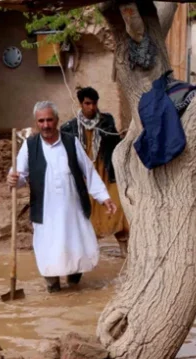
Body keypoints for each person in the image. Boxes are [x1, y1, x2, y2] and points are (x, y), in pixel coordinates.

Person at [6, 101, 117, 293]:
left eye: (49, 120)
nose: (46, 125)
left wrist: (103, 197)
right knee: (49, 250)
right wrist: (13, 179)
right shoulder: (29, 146)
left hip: (72, 209)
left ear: (56, 120)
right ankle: (53, 287)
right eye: (41, 121)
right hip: (45, 210)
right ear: (36, 122)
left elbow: (88, 172)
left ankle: (74, 287)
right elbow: (20, 176)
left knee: (76, 249)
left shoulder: (71, 141)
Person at [60, 87, 129, 257]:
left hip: (106, 171)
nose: (91, 107)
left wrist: (122, 137)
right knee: (86, 212)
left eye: (94, 103)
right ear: (81, 104)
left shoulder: (106, 121)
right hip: (84, 176)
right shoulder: (69, 127)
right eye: (87, 103)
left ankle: (124, 250)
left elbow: (114, 144)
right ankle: (88, 253)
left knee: (117, 208)